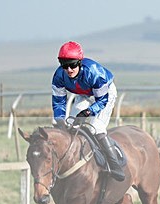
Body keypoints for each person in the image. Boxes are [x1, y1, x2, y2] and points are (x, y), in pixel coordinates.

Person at [51, 41, 126, 181]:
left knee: (96, 128)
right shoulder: (58, 76)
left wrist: (88, 112)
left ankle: (114, 164)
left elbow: (102, 101)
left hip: (104, 95)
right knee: (70, 126)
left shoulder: (94, 73)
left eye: (72, 64)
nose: (69, 70)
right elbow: (58, 101)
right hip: (84, 95)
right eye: (64, 65)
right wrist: (59, 120)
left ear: (79, 62)